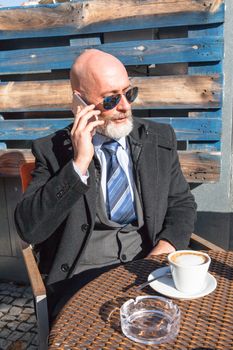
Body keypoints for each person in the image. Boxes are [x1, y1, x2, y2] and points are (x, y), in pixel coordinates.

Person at [15, 49, 196, 320]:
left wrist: (164, 250)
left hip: (150, 265)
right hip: (82, 278)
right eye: (111, 99)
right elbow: (30, 229)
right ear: (80, 102)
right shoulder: (53, 151)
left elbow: (181, 203)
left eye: (129, 93)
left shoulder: (158, 138)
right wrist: (79, 163)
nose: (125, 106)